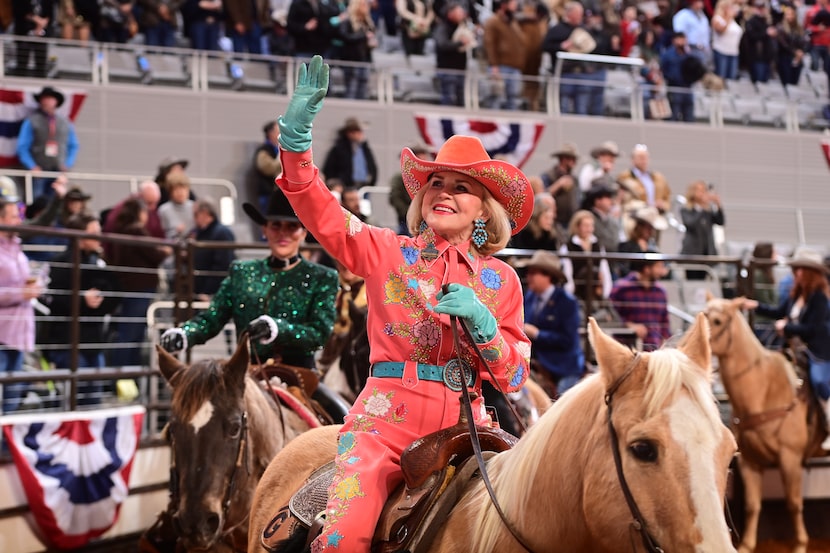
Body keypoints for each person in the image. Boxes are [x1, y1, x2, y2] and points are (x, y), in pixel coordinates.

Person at [272, 56, 532, 552]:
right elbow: (320, 211)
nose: (444, 193)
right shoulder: (387, 251)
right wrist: (296, 145)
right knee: (343, 540)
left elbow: (515, 378)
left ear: (484, 210)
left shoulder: (503, 282)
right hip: (381, 428)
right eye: (437, 182)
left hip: (470, 430)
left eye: (462, 188)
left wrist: (484, 326)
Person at [161, 188, 339, 368]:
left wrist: (279, 329)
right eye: (276, 225)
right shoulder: (242, 272)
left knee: (334, 397)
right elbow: (213, 318)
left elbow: (320, 334)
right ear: (265, 230)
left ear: (303, 233)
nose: (282, 233)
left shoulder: (322, 277)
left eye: (292, 227)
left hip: (299, 375)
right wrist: (184, 334)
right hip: (245, 373)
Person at [740, 248, 830, 449]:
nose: (797, 274)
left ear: (812, 273)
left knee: (819, 381)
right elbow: (779, 311)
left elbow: (813, 329)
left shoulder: (820, 298)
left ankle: (828, 423)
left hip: (815, 351)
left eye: (802, 270)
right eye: (796, 269)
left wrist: (786, 327)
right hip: (793, 348)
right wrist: (756, 305)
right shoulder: (797, 294)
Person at [44, 214, 120, 405]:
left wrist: (101, 298)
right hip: (67, 342)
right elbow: (54, 299)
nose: (99, 237)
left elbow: (113, 293)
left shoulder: (98, 262)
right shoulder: (61, 262)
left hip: (93, 341)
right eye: (94, 233)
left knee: (94, 397)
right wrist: (81, 298)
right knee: (74, 397)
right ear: (79, 236)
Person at [108, 198, 172, 367]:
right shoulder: (136, 231)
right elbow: (154, 254)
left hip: (130, 286)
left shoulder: (121, 230)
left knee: (131, 332)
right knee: (131, 334)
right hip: (140, 287)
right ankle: (124, 375)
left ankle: (126, 376)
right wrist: (165, 251)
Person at [0, 196, 44, 413]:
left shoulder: (18, 249)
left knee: (12, 399)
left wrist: (36, 284)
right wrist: (21, 293)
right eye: (14, 216)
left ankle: (6, 445)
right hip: (2, 332)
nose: (19, 221)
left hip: (19, 332)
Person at [522, 250, 584, 398]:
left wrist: (537, 334)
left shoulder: (567, 302)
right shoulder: (529, 297)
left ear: (547, 276)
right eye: (529, 273)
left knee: (561, 403)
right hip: (536, 363)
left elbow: (568, 340)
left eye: (533, 273)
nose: (528, 277)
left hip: (563, 365)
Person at [16, 86, 80, 201]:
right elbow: (22, 146)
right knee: (37, 201)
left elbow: (73, 145)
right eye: (44, 98)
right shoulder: (31, 121)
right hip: (39, 170)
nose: (47, 101)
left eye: (50, 98)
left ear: (56, 101)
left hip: (58, 170)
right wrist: (32, 166)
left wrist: (67, 164)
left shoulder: (66, 122)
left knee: (57, 201)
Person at [609, 252, 670, 351]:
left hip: (654, 351)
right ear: (646, 269)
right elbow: (610, 316)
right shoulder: (622, 288)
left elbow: (665, 322)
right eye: (658, 267)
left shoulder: (661, 291)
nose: (662, 271)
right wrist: (629, 325)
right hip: (627, 349)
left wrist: (665, 342)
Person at [559, 209, 613, 301]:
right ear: (577, 226)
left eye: (591, 225)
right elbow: (567, 274)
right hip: (577, 294)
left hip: (596, 294)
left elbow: (605, 271)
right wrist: (570, 296)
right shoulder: (567, 247)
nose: (589, 229)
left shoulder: (598, 246)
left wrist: (605, 294)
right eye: (585, 225)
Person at [190, 197, 236, 299]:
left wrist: (207, 291)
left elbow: (223, 265)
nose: (194, 219)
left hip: (214, 294)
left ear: (204, 213)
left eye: (195, 214)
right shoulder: (199, 233)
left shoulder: (222, 233)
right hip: (199, 291)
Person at [680, 180, 724, 279]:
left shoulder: (708, 211)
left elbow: (720, 221)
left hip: (706, 253)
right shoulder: (686, 209)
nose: (703, 193)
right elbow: (691, 224)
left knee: (704, 284)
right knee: (692, 282)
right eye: (699, 190)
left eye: (704, 190)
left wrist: (718, 205)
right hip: (692, 254)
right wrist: (701, 208)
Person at [322, 117, 378, 188]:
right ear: (349, 133)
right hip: (345, 187)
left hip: (364, 186)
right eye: (356, 131)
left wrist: (372, 181)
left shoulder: (365, 149)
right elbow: (329, 168)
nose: (360, 134)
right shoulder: (339, 149)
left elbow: (372, 166)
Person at [617, 206, 667, 276]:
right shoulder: (626, 246)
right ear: (640, 228)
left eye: (651, 228)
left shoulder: (652, 246)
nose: (650, 231)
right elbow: (623, 268)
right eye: (648, 228)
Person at [540, 142, 580, 232]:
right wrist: (558, 185)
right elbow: (542, 197)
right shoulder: (548, 175)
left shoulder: (575, 178)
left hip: (571, 222)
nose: (574, 163)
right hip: (555, 222)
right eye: (572, 159)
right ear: (564, 159)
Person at [253, 120, 283, 215]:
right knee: (269, 220)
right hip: (268, 194)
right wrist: (280, 159)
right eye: (278, 132)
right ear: (271, 133)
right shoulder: (264, 151)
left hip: (279, 194)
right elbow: (268, 168)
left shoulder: (277, 149)